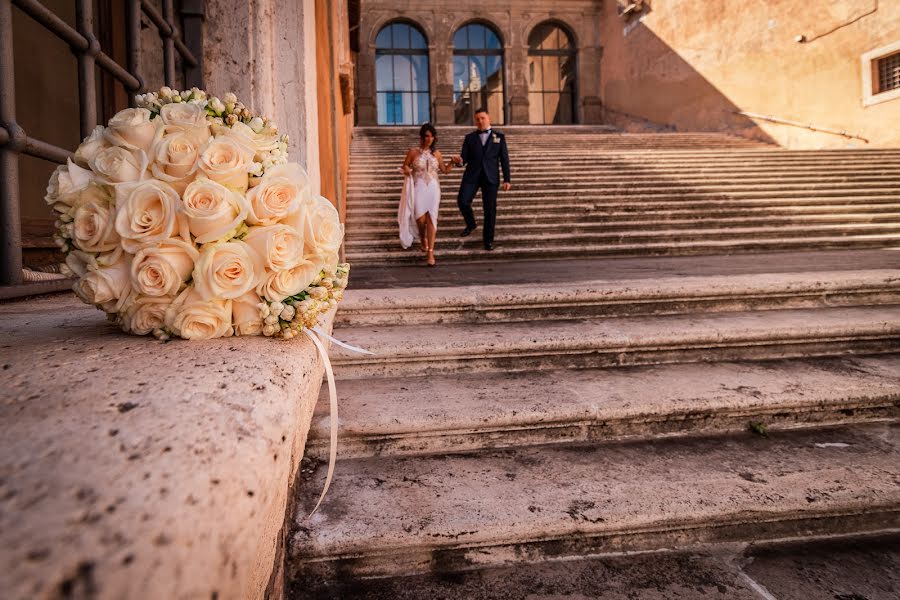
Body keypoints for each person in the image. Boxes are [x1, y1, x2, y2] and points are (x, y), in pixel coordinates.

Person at [452, 108, 511, 251]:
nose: (480, 121)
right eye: (477, 119)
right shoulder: (469, 138)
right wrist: (458, 161)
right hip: (472, 175)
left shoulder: (499, 137)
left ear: (488, 118)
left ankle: (488, 240)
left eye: (482, 118)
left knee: (490, 210)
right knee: (462, 201)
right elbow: (463, 159)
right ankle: (471, 224)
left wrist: (507, 179)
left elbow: (504, 159)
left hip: (491, 177)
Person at [398, 123, 454, 266]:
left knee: (431, 218)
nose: (429, 139)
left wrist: (453, 162)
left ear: (434, 138)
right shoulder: (413, 152)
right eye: (427, 136)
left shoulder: (437, 154)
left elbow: (445, 170)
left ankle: (430, 251)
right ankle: (423, 238)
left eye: (432, 136)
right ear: (422, 137)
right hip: (418, 186)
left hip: (433, 188)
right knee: (420, 218)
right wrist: (406, 170)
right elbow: (404, 165)